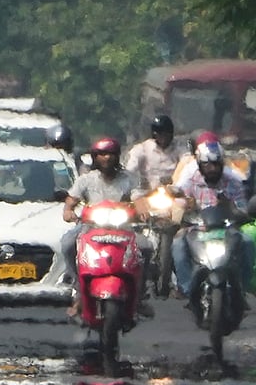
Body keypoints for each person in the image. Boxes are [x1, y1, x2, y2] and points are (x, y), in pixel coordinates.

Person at [60, 137, 146, 316]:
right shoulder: (86, 180)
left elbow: (138, 199)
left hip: (123, 228)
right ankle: (77, 287)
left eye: (110, 154)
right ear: (94, 157)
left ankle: (139, 295)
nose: (106, 158)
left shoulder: (129, 179)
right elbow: (71, 201)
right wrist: (68, 211)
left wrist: (143, 211)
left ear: (117, 157)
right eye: (102, 154)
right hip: (90, 228)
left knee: (146, 248)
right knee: (68, 243)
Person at [170, 137, 253, 300]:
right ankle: (187, 289)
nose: (212, 169)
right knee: (178, 244)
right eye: (207, 164)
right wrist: (186, 204)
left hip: (227, 228)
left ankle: (242, 289)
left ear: (222, 164)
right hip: (197, 228)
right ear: (200, 165)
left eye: (216, 164)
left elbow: (243, 211)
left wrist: (231, 207)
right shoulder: (191, 179)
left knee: (248, 242)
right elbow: (179, 199)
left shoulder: (233, 182)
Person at [125, 114, 179, 196]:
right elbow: (130, 170)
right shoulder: (142, 149)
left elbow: (187, 162)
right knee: (135, 198)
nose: (164, 137)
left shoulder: (179, 148)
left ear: (171, 134)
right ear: (154, 134)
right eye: (160, 134)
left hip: (174, 192)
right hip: (149, 193)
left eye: (166, 134)